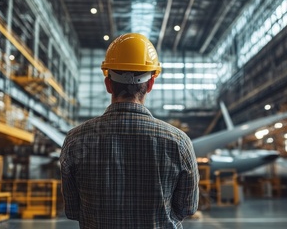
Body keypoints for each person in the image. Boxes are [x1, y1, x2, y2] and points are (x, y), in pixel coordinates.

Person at [60, 33, 199, 228]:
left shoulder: (75, 140)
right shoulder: (179, 142)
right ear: (150, 84)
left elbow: (73, 210)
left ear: (108, 84)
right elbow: (187, 208)